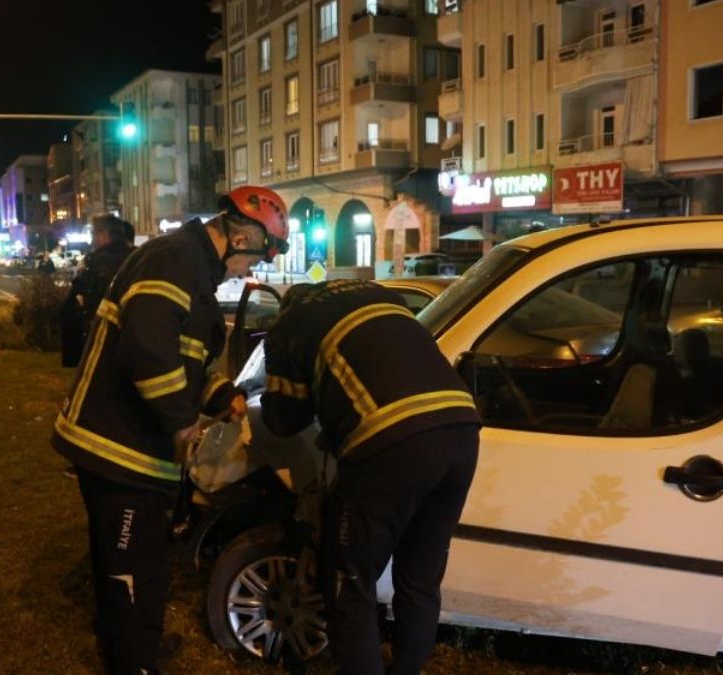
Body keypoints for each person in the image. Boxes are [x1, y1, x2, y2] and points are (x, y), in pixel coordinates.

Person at [51, 186, 290, 674]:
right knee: (134, 567)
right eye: (260, 256)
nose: (254, 269)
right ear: (242, 235)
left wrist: (221, 395)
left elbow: (186, 360)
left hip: (130, 443)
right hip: (118, 446)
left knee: (137, 561)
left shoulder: (191, 268)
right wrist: (183, 424)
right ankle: (133, 662)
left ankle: (128, 644)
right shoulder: (175, 260)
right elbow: (146, 350)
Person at [261, 279, 481, 675]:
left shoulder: (289, 324)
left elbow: (282, 420)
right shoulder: (385, 299)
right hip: (461, 430)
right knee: (420, 582)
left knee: (350, 585)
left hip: (391, 442)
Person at [59, 214, 135, 368]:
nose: (93, 238)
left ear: (104, 234)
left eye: (94, 233)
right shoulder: (134, 258)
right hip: (132, 337)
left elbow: (89, 303)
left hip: (103, 336)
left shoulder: (97, 262)